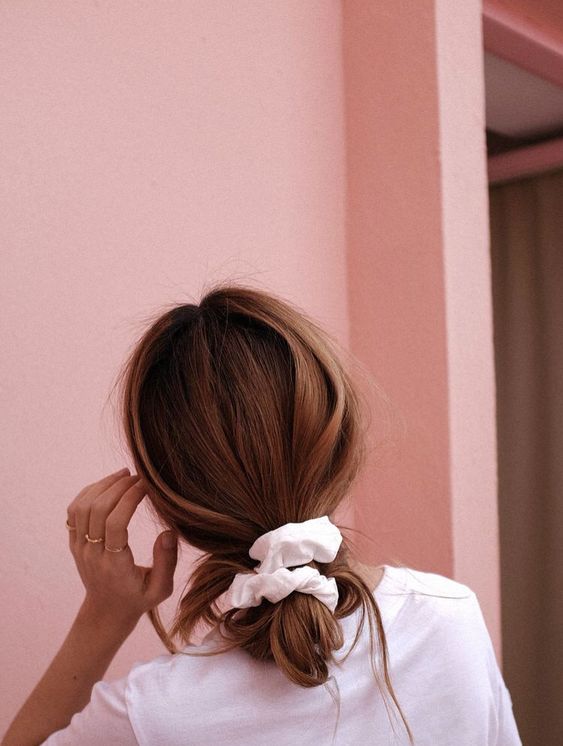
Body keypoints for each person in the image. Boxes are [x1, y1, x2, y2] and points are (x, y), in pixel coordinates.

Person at [2, 283, 522, 746]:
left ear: (167, 500)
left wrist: (105, 613)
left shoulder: (153, 715)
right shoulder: (450, 617)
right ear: (342, 447)